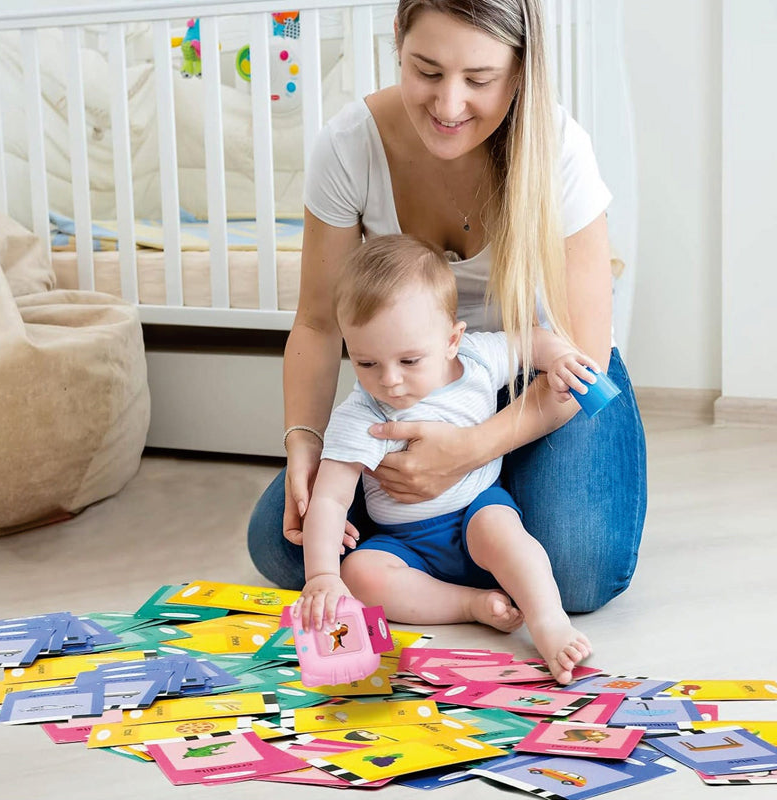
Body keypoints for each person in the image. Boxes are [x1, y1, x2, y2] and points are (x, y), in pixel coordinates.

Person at [248, 0, 647, 616]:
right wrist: (303, 441)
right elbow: (318, 323)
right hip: (410, 386)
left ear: (518, 72)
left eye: (479, 80)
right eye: (426, 72)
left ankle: (492, 497)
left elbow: (583, 358)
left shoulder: (558, 151)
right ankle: (465, 553)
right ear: (398, 47)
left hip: (544, 381)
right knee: (280, 547)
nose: (449, 104)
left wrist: (467, 449)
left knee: (577, 577)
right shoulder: (350, 146)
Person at [295, 234, 598, 684]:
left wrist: (558, 360)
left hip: (476, 511)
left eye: (410, 360)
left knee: (507, 535)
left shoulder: (478, 360)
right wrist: (321, 574)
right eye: (366, 364)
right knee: (360, 573)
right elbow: (330, 500)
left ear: (453, 339)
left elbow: (532, 340)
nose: (390, 381)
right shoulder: (360, 414)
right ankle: (469, 604)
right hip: (404, 542)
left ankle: (549, 624)